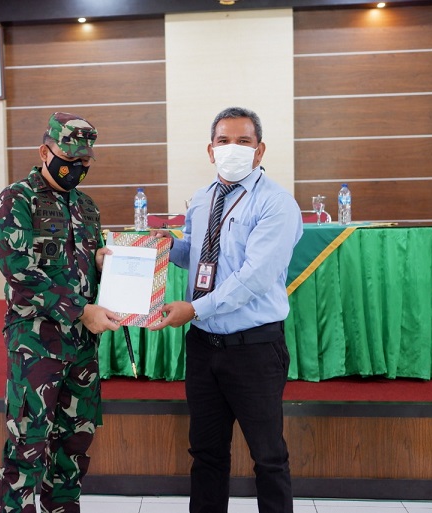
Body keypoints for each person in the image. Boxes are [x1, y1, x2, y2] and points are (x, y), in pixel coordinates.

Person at [150, 107, 303, 513]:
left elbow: (254, 277)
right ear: (210, 149)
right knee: (206, 453)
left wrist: (194, 309)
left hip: (254, 349)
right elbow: (201, 255)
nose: (232, 148)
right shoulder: (202, 199)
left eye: (243, 141)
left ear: (259, 150)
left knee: (268, 457)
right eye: (224, 141)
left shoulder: (276, 204)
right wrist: (167, 246)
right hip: (204, 347)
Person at [0, 112, 120, 513]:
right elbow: (19, 272)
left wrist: (102, 264)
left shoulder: (87, 206)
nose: (77, 167)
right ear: (45, 152)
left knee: (73, 446)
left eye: (85, 160)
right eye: (70, 158)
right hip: (36, 343)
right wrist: (81, 311)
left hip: (82, 346)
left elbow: (84, 267)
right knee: (28, 445)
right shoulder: (15, 200)